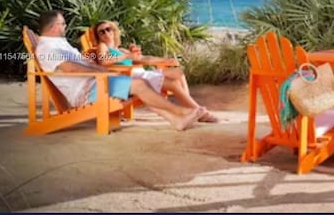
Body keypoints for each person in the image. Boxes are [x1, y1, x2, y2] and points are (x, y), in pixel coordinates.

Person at [35, 10, 206, 131]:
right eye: (63, 23)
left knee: (140, 85)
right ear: (55, 26)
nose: (65, 26)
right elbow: (71, 69)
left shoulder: (59, 44)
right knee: (139, 85)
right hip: (87, 92)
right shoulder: (47, 49)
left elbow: (84, 63)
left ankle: (176, 121)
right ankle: (181, 112)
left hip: (95, 83)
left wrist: (100, 69)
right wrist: (103, 72)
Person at [92, 20, 217, 123]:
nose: (105, 33)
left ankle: (192, 108)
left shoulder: (121, 50)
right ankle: (199, 111)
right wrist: (126, 57)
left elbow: (144, 59)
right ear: (98, 36)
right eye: (101, 32)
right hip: (131, 77)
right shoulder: (103, 47)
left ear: (113, 31)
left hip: (139, 73)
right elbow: (103, 61)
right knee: (174, 83)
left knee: (178, 73)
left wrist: (165, 60)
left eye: (108, 29)